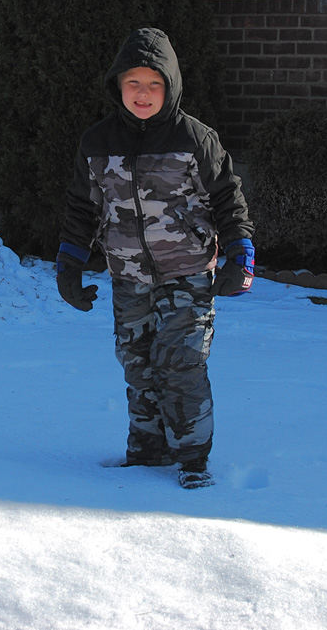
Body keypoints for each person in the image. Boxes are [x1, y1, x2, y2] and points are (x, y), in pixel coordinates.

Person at [56, 27, 255, 489]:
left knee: (181, 363)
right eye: (133, 83)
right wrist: (68, 265)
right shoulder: (97, 142)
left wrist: (240, 255)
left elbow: (228, 198)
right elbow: (81, 206)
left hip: (186, 271)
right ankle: (148, 450)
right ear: (117, 86)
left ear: (170, 87)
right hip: (128, 276)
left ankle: (192, 457)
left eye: (154, 84)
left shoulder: (194, 139)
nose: (142, 94)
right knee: (138, 362)